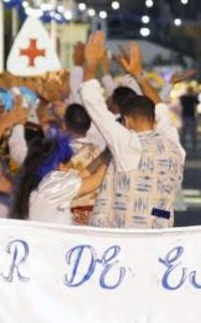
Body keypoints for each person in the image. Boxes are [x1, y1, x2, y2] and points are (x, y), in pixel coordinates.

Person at [80, 34, 187, 229]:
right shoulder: (173, 143)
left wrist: (90, 64)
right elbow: (161, 107)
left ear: (126, 121)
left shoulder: (129, 146)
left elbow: (92, 101)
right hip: (161, 231)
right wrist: (139, 75)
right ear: (153, 119)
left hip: (126, 239)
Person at [13, 134, 108, 224]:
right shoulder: (54, 185)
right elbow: (96, 180)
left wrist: (107, 152)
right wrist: (116, 147)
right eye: (69, 164)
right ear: (60, 166)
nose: (70, 167)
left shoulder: (43, 187)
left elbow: (83, 175)